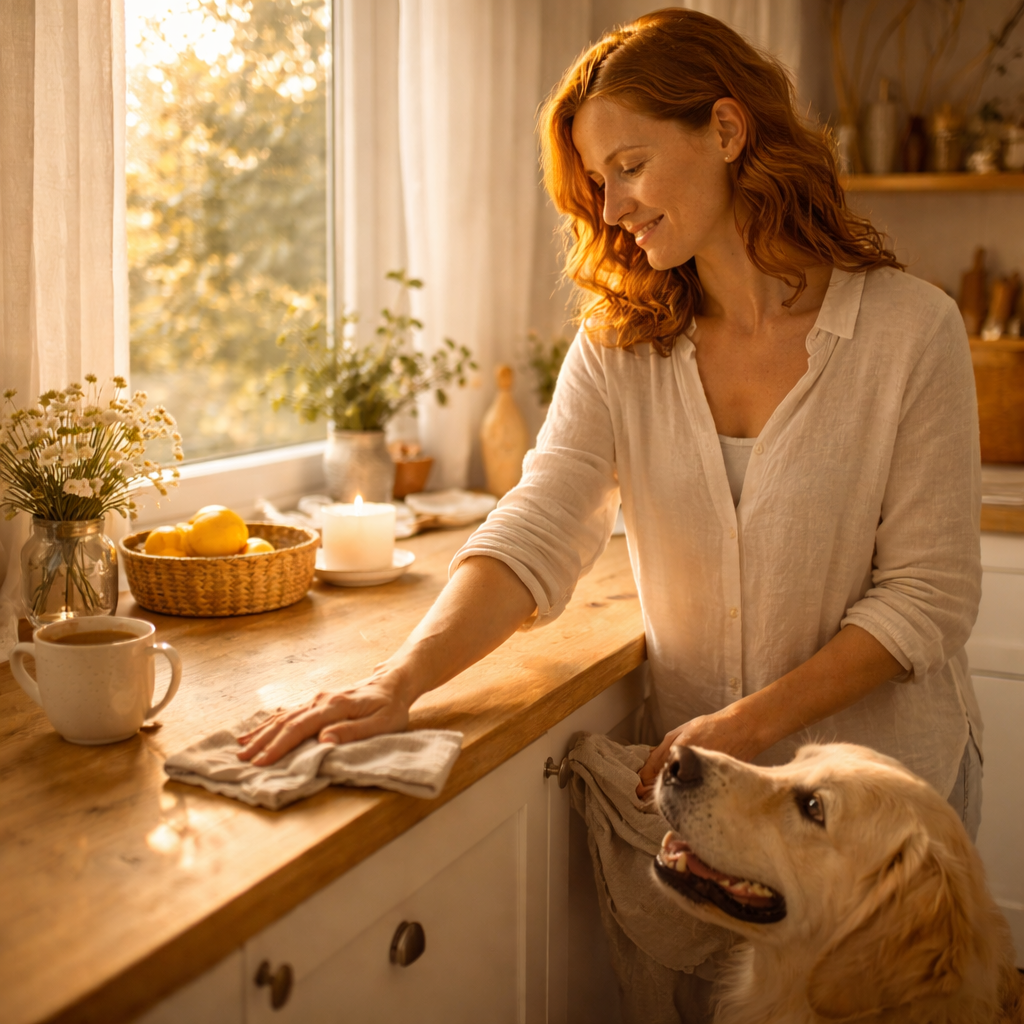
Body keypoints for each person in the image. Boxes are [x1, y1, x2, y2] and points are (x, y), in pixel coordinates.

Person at [238, 9, 982, 840]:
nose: (612, 204)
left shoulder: (911, 331)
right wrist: (397, 683)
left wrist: (744, 729)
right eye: (598, 180)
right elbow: (540, 524)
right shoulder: (621, 345)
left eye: (630, 166)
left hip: (879, 812)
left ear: (727, 129)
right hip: (708, 806)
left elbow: (928, 599)